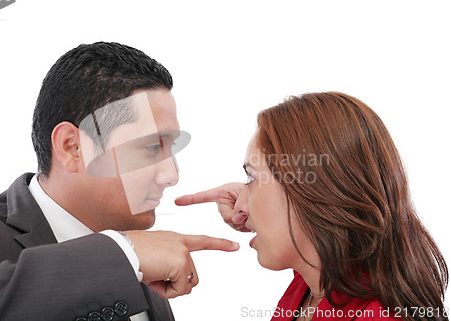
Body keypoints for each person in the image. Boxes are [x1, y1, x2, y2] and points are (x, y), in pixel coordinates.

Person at [0, 42, 239, 321]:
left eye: (170, 149)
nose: (171, 176)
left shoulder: (139, 256)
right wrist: (124, 256)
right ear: (72, 147)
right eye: (152, 147)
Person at [176, 92, 448, 320]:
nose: (239, 207)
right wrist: (261, 207)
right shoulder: (318, 281)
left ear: (313, 190)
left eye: (251, 178)